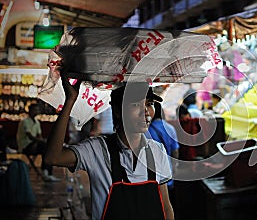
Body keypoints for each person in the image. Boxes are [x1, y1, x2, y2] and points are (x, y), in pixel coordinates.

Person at [44, 74, 174, 220]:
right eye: (136, 105)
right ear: (118, 112)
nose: (146, 112)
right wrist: (70, 100)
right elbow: (52, 157)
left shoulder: (157, 151)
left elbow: (166, 208)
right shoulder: (97, 150)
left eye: (149, 104)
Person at [16, 103, 59, 182]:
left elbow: (39, 135)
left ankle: (48, 172)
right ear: (30, 111)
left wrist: (42, 140)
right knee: (44, 145)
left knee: (48, 147)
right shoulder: (25, 121)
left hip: (35, 144)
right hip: (26, 145)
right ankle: (45, 171)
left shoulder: (37, 122)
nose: (36, 111)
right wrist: (41, 141)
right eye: (35, 110)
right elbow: (30, 136)